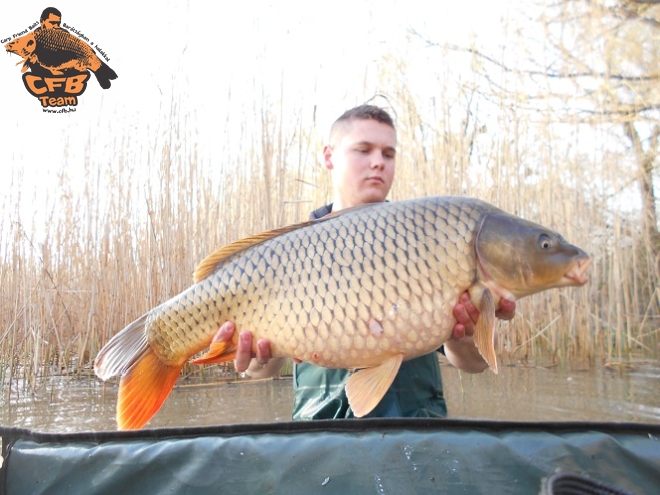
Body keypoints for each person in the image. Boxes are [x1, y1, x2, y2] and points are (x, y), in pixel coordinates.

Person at [212, 104, 516, 419]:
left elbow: (473, 364)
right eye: (363, 150)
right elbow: (261, 372)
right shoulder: (288, 253)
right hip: (320, 438)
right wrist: (257, 357)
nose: (377, 163)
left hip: (418, 434)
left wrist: (467, 332)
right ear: (329, 156)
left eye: (388, 154)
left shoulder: (426, 237)